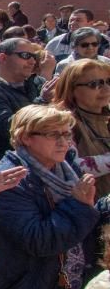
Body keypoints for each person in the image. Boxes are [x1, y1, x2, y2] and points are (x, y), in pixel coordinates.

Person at [0, 105, 102, 289]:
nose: (63, 142)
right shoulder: (12, 179)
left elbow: (84, 219)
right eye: (52, 134)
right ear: (26, 137)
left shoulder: (65, 168)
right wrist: (79, 206)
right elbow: (40, 240)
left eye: (66, 134)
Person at [0, 38, 51, 157]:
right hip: (14, 164)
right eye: (25, 56)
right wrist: (42, 101)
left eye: (34, 57)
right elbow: (9, 129)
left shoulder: (36, 82)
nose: (32, 62)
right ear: (3, 58)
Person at [55, 59, 110, 196]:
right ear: (71, 90)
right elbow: (68, 167)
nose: (106, 89)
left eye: (109, 81)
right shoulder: (61, 122)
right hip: (88, 207)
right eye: (95, 84)